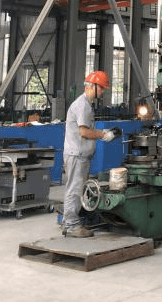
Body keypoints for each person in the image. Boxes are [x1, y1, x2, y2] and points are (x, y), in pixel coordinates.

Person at [62, 70, 116, 237]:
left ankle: (71, 222)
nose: (103, 92)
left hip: (80, 155)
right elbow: (84, 132)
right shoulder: (83, 105)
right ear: (93, 86)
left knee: (77, 189)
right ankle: (71, 226)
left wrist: (102, 133)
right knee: (75, 189)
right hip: (76, 155)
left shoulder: (86, 104)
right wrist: (103, 135)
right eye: (102, 88)